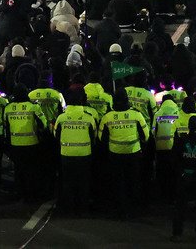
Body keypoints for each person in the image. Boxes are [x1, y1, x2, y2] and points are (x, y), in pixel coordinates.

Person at [99, 87, 149, 217]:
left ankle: (119, 209)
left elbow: (101, 138)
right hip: (133, 153)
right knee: (134, 180)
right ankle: (134, 209)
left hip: (115, 154)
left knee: (118, 181)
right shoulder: (136, 114)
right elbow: (146, 135)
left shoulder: (107, 117)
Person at [53, 88, 99, 215]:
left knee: (68, 181)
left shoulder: (61, 118)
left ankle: (69, 208)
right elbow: (94, 136)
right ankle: (83, 208)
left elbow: (56, 135)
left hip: (66, 154)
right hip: (85, 154)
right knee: (84, 181)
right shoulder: (89, 118)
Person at [172, 114, 196, 241]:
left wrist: (181, 172)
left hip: (184, 176)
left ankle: (177, 233)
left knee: (180, 206)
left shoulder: (181, 140)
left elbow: (175, 158)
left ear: (189, 127)